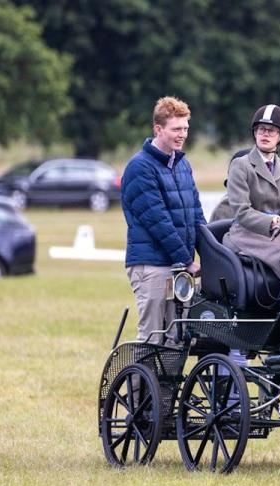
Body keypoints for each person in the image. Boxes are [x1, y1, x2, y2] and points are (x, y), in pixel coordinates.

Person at [121, 96, 206, 344]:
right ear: (158, 129)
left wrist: (212, 254)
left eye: (186, 129)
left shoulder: (182, 165)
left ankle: (166, 385)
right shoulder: (140, 167)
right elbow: (159, 222)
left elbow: (196, 215)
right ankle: (140, 384)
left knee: (177, 336)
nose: (182, 135)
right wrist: (187, 260)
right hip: (152, 264)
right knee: (152, 336)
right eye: (176, 129)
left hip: (179, 265)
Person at [221, 103, 280, 277]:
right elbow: (242, 212)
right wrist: (275, 221)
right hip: (246, 235)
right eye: (261, 129)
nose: (265, 134)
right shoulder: (240, 165)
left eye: (271, 130)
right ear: (255, 133)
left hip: (278, 236)